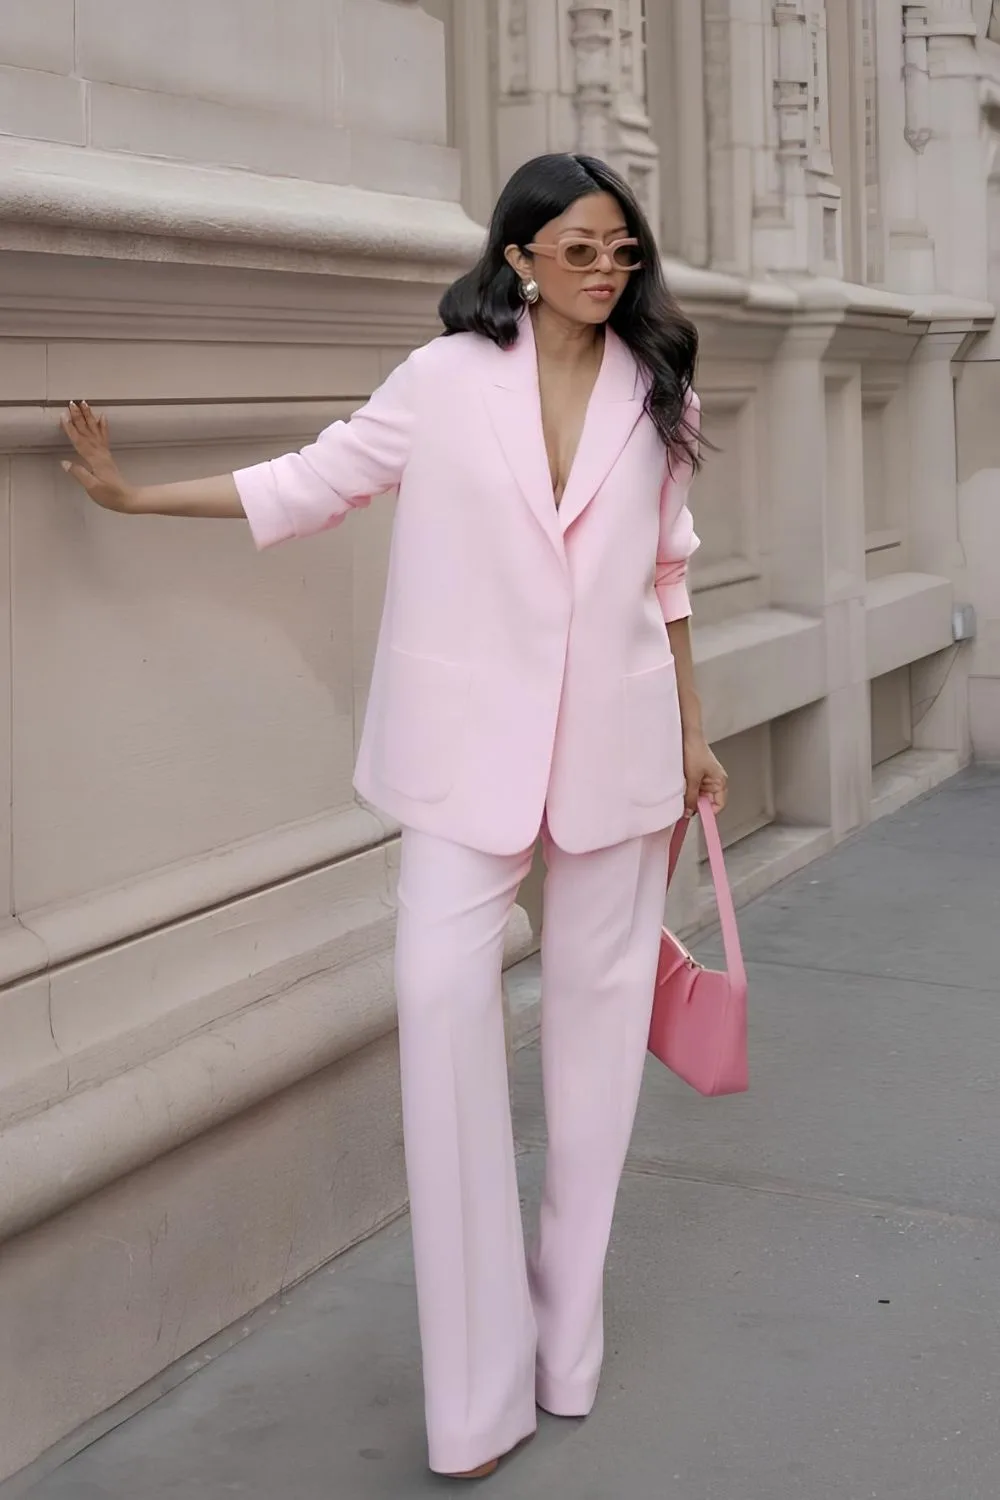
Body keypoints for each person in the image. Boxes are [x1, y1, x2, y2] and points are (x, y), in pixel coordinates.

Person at [60, 152, 728, 1482]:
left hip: (621, 759)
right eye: (580, 250)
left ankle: (565, 1345)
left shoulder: (660, 396)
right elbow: (321, 480)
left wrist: (698, 732)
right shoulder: (441, 383)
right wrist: (134, 497)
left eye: (623, 253)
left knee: (596, 1067)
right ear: (520, 256)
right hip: (460, 760)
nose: (606, 272)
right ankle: (476, 1398)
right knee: (440, 1015)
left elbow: (668, 574)